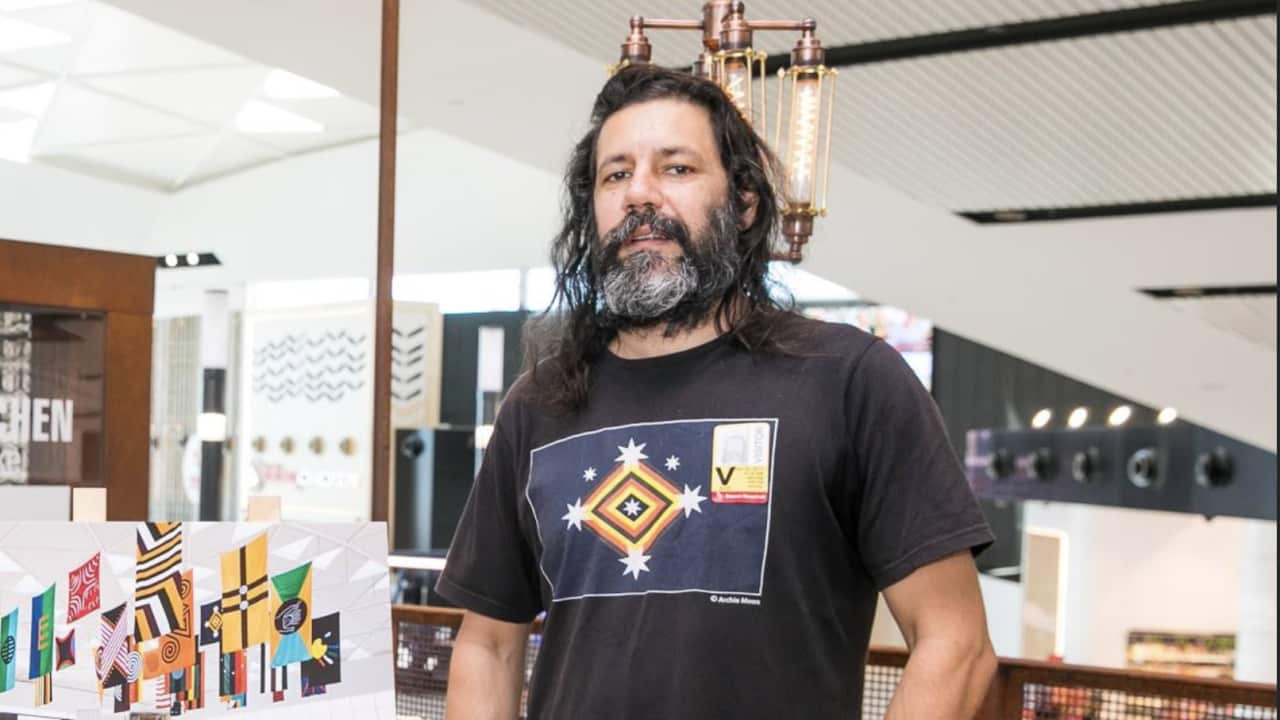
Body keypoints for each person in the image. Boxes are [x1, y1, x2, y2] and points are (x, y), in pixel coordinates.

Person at [437, 64, 997, 719]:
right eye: (616, 174)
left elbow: (955, 642)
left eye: (676, 168)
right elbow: (488, 648)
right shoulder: (539, 404)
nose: (640, 194)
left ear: (745, 204)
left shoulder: (849, 380)